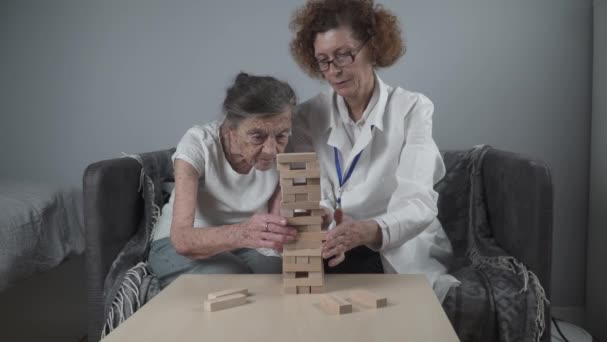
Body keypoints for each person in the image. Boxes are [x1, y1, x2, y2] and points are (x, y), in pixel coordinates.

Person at [288, 0, 459, 301]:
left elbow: (418, 202)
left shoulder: (412, 109)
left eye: (344, 55)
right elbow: (314, 194)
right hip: (335, 243)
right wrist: (322, 213)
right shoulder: (306, 116)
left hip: (398, 244)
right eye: (324, 60)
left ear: (373, 47)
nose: (334, 71)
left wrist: (369, 230)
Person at [148, 72, 298, 289]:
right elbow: (182, 239)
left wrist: (311, 229)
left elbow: (277, 221)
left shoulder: (286, 148)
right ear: (230, 129)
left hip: (248, 245)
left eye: (282, 135)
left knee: (278, 276)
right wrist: (243, 232)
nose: (271, 150)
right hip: (179, 243)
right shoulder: (197, 144)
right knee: (230, 279)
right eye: (257, 136)